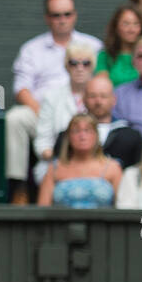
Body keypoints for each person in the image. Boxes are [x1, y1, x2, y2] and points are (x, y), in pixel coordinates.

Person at [5, 0, 103, 201]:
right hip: (42, 112)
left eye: (67, 14)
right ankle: (18, 187)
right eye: (56, 15)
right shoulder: (32, 48)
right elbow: (21, 88)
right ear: (47, 17)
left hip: (86, 114)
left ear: (75, 15)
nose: (62, 20)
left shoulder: (94, 45)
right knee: (15, 118)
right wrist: (45, 112)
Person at [32, 42, 97, 182]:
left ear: (93, 66)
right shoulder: (52, 97)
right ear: (66, 66)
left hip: (95, 165)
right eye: (74, 63)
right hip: (59, 162)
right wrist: (65, 162)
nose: (80, 68)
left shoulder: (102, 95)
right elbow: (42, 143)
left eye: (86, 63)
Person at [38, 113, 122, 207]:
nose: (82, 136)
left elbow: (122, 207)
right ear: (68, 137)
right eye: (76, 131)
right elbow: (42, 210)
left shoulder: (112, 167)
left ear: (96, 136)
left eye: (87, 130)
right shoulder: (53, 169)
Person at [83, 72, 142, 169]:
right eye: (92, 96)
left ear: (114, 100)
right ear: (84, 99)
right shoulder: (70, 135)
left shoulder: (132, 137)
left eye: (103, 96)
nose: (98, 101)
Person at [97, 4, 142, 85]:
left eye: (136, 24)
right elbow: (103, 88)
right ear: (116, 27)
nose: (131, 30)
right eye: (126, 24)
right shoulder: (104, 57)